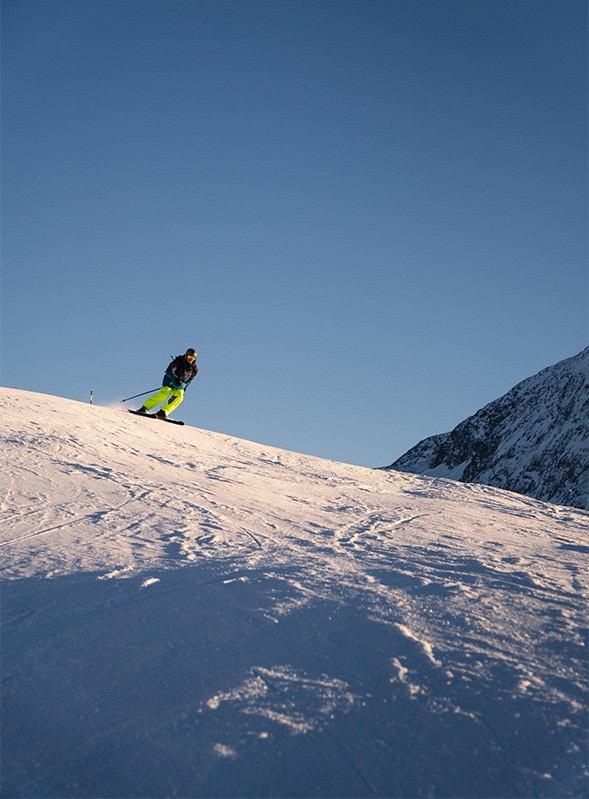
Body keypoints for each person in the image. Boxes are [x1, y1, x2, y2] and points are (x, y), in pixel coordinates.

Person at [136, 348, 198, 419]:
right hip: (169, 381)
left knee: (180, 397)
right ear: (186, 356)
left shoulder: (194, 369)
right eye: (189, 357)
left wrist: (184, 386)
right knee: (165, 394)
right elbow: (169, 371)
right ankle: (144, 408)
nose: (190, 360)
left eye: (192, 358)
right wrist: (175, 379)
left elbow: (190, 380)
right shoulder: (178, 361)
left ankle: (163, 412)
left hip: (180, 385)